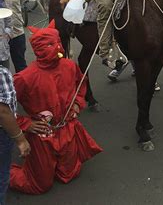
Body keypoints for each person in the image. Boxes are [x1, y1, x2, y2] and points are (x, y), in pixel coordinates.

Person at [9, 21, 102, 194]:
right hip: (43, 133)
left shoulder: (69, 66)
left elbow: (81, 85)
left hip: (67, 129)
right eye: (50, 44)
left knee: (69, 174)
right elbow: (4, 108)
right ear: (37, 48)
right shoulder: (25, 78)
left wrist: (77, 103)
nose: (58, 47)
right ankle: (4, 171)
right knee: (40, 185)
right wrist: (25, 124)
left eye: (58, 42)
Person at [0, 64, 30, 204]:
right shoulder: (2, 74)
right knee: (2, 175)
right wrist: (20, 139)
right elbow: (3, 112)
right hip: (2, 134)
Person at [0, 0, 27, 72]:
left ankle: (23, 89)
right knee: (2, 69)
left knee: (21, 66)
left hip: (17, 34)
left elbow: (20, 5)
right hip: (1, 37)